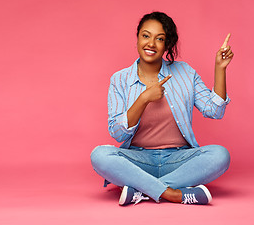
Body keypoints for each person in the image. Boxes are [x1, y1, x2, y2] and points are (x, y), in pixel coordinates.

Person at [90, 11, 234, 206]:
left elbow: (214, 111)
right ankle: (176, 194)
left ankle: (142, 190)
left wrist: (220, 69)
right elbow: (117, 133)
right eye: (146, 36)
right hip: (139, 160)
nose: (151, 44)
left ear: (167, 45)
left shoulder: (185, 72)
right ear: (137, 38)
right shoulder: (119, 79)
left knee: (220, 155)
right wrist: (143, 99)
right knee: (100, 155)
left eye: (160, 39)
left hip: (179, 159)